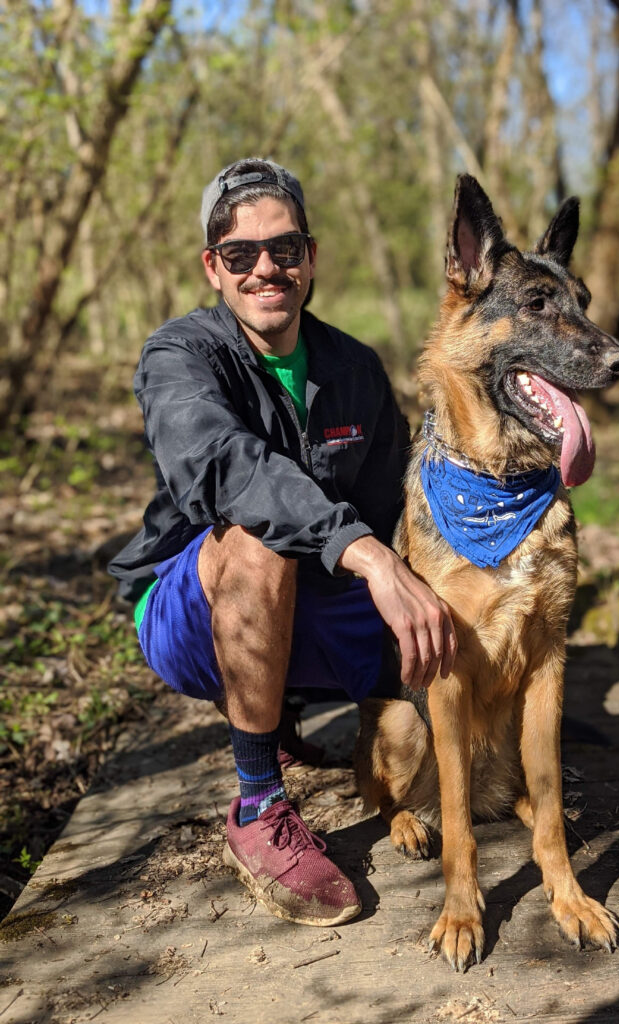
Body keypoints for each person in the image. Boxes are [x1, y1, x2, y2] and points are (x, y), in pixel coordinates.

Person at [109, 158, 456, 928]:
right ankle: (259, 807)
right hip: (192, 613)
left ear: (311, 256)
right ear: (214, 267)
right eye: (241, 255)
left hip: (310, 611)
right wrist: (367, 555)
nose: (266, 268)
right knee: (258, 543)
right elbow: (222, 468)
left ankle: (291, 709)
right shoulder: (179, 356)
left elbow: (398, 503)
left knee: (446, 607)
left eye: (286, 249)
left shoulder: (356, 369)